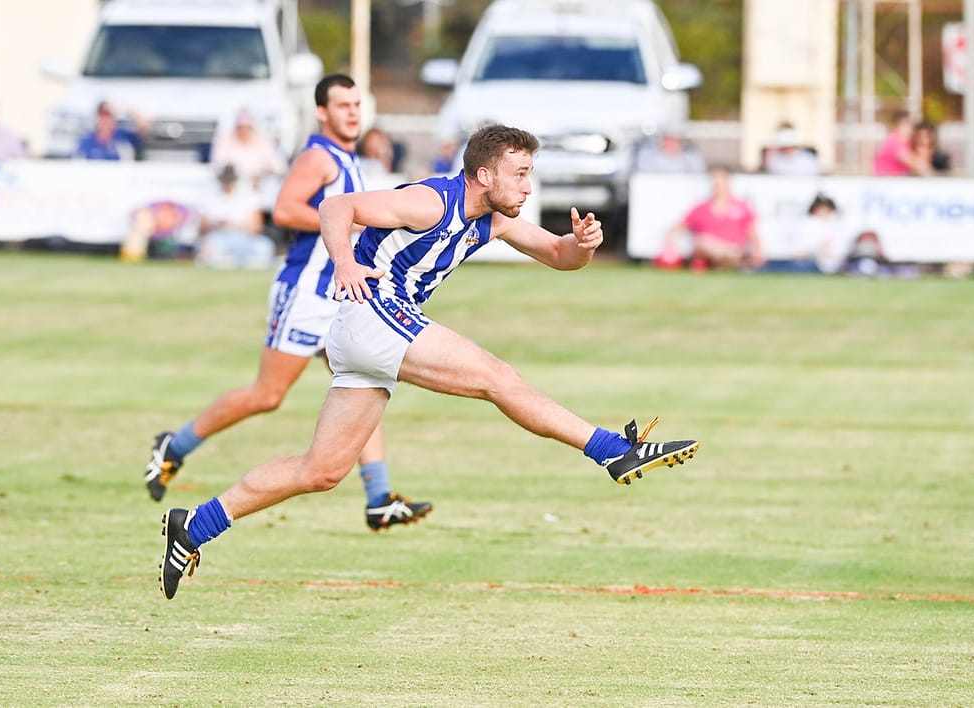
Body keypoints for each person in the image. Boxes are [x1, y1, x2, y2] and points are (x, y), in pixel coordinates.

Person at [158, 123, 701, 600]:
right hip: (372, 313)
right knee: (497, 378)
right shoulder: (432, 201)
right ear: (484, 176)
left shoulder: (492, 221)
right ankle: (611, 451)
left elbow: (560, 257)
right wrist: (344, 263)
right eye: (520, 174)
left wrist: (582, 244)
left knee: (320, 472)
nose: (528, 186)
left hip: (365, 337)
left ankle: (194, 526)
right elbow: (334, 207)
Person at [145, 74, 432, 533]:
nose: (353, 113)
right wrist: (351, 225)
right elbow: (283, 209)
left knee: (363, 381)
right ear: (322, 112)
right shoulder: (318, 156)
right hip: (305, 293)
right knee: (268, 395)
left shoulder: (347, 158)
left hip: (340, 293)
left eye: (357, 104)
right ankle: (173, 447)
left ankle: (379, 497)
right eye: (343, 105)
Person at [658, 165, 765, 271]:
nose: (717, 182)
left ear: (728, 181)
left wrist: (758, 253)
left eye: (722, 178)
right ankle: (724, 261)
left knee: (722, 248)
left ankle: (725, 260)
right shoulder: (701, 208)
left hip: (733, 249)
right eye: (714, 178)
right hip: (709, 250)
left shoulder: (742, 206)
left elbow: (753, 233)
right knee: (703, 241)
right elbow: (678, 226)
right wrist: (669, 245)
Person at [194, 164, 276, 269]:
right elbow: (202, 227)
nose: (228, 183)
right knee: (211, 246)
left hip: (245, 237)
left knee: (264, 247)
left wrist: (236, 224)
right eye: (225, 180)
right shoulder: (210, 198)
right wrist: (217, 224)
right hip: (219, 236)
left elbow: (257, 227)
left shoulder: (249, 197)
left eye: (230, 180)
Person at [209, 108, 287, 190]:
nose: (244, 131)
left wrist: (265, 174)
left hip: (259, 186)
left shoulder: (262, 141)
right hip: (234, 187)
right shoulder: (224, 140)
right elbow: (218, 164)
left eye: (246, 128)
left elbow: (278, 165)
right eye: (241, 128)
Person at [74, 101, 146, 161]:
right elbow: (78, 162)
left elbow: (143, 126)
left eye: (108, 115)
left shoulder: (123, 136)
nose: (105, 119)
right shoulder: (87, 140)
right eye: (102, 115)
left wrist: (128, 108)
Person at [634, 129, 706, 174]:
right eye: (668, 139)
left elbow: (699, 176)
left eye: (675, 140)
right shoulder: (650, 158)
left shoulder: (691, 159)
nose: (671, 143)